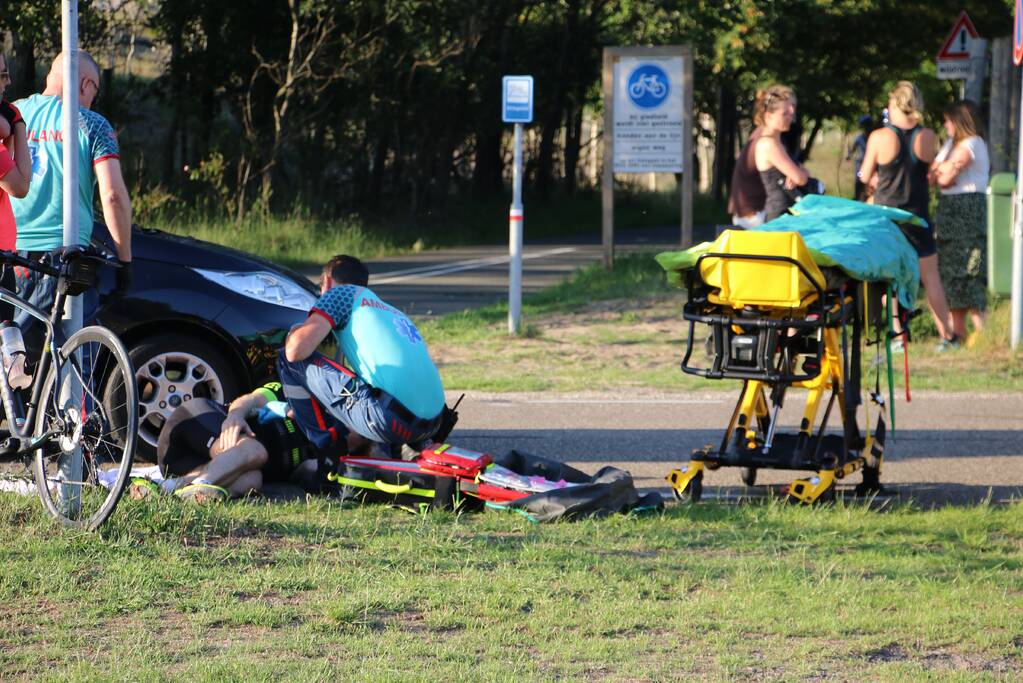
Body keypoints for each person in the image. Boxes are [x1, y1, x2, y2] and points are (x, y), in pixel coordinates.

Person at [10, 51, 132, 346]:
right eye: (95, 91)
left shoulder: (11, 115)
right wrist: (124, 260)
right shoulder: (91, 123)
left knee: (11, 361)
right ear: (85, 85)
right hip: (62, 257)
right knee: (72, 359)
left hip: (9, 255)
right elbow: (113, 194)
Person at [277, 254, 447, 457]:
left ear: (328, 281)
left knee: (287, 359)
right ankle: (392, 449)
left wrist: (296, 332)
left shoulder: (338, 294)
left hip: (392, 421)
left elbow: (296, 351)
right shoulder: (392, 312)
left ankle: (326, 454)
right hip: (433, 424)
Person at [858, 81, 957, 349]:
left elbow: (865, 175)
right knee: (931, 277)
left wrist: (872, 179)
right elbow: (930, 174)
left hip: (888, 215)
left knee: (887, 276)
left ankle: (897, 332)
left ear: (893, 104)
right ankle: (947, 335)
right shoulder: (927, 136)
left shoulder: (879, 137)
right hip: (918, 214)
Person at [143, 380, 341, 502]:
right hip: (198, 424)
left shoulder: (326, 453)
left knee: (253, 480)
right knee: (255, 450)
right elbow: (251, 399)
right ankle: (192, 485)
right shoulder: (294, 393)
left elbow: (309, 470)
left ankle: (172, 488)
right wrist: (235, 416)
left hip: (190, 465)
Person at [929, 100, 990, 347]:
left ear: (960, 121)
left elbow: (947, 173)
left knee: (970, 266)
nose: (945, 125)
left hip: (967, 209)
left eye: (948, 120)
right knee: (950, 270)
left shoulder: (973, 143)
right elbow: (935, 175)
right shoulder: (949, 146)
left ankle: (983, 333)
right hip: (949, 210)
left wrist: (944, 173)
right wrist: (943, 173)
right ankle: (958, 334)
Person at [847, 114, 873, 201]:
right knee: (859, 181)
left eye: (868, 125)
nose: (867, 128)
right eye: (865, 126)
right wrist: (849, 155)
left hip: (872, 163)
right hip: (861, 164)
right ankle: (859, 198)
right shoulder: (860, 138)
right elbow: (853, 149)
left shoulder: (875, 137)